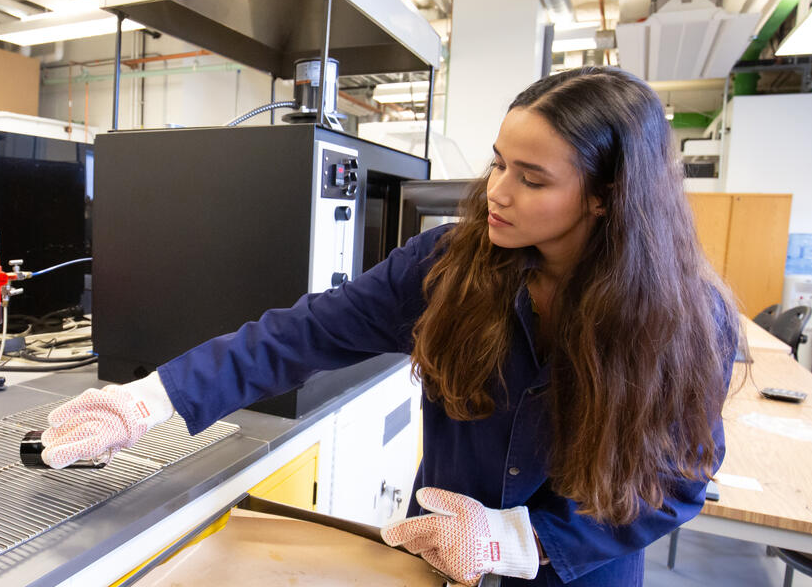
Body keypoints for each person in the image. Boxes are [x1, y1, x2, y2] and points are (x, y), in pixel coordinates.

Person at [39, 66, 741, 586]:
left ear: (605, 199)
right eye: (498, 162)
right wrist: (147, 399)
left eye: (532, 178)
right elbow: (303, 334)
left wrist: (515, 541)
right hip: (432, 559)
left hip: (579, 571)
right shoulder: (450, 267)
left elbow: (676, 485)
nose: (495, 192)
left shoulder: (686, 322)